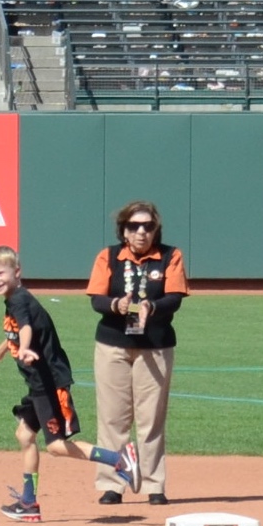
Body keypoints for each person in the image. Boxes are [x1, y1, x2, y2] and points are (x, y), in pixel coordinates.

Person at [0, 247, 140, 522]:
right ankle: (29, 503)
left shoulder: (19, 300)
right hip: (38, 385)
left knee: (56, 446)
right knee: (25, 436)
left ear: (17, 272)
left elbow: (25, 328)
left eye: (0, 273)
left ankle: (119, 460)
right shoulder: (15, 300)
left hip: (49, 385)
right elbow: (15, 329)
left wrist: (25, 348)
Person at [86, 201, 190, 506]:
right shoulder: (109, 256)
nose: (141, 232)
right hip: (112, 345)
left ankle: (154, 485)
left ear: (156, 229)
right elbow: (96, 299)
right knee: (112, 418)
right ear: (124, 230)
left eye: (148, 226)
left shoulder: (170, 256)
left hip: (155, 347)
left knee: (151, 418)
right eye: (134, 226)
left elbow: (175, 297)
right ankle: (112, 484)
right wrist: (116, 305)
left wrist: (151, 306)